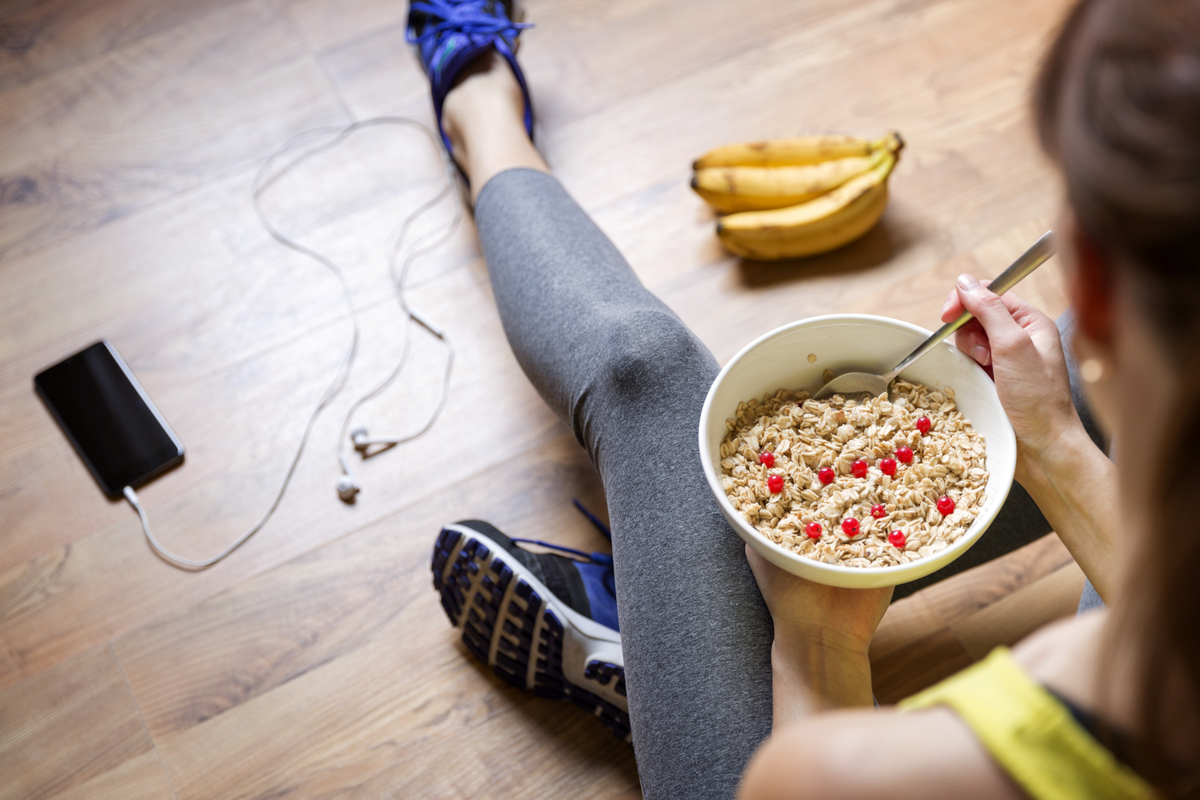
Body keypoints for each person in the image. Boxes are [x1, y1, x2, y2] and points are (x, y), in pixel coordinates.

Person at [414, 0, 1199, 797]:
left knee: (641, 370)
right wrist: (1055, 446)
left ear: (1093, 284)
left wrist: (817, 637)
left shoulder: (920, 764)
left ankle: (477, 101)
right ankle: (670, 647)